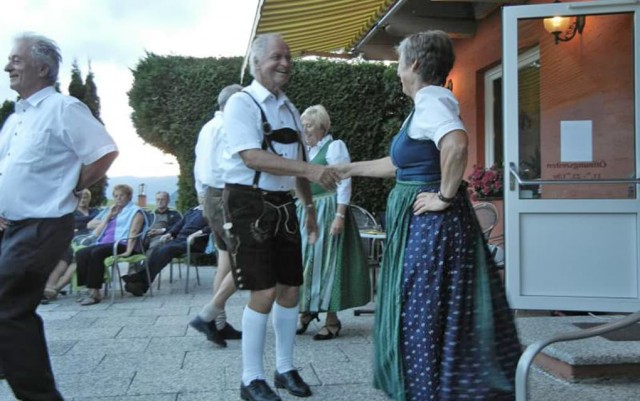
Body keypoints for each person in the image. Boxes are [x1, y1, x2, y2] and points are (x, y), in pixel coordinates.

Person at [337, 31, 520, 401]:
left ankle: (432, 389)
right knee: (428, 307)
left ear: (415, 64)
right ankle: (432, 386)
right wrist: (348, 168)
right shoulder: (426, 105)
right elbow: (398, 165)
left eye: (400, 63)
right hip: (424, 225)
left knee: (424, 309)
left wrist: (443, 197)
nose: (398, 72)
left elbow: (456, 144)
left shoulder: (432, 101)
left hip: (432, 228)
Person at [222, 33, 340, 401]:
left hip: (282, 203)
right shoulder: (242, 104)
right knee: (265, 289)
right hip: (247, 202)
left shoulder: (289, 109)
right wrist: (308, 170)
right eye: (277, 57)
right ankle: (250, 378)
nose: (286, 63)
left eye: (289, 57)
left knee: (291, 288)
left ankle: (285, 368)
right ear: (257, 62)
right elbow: (252, 157)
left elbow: (297, 169)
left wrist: (307, 208)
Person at [0, 32, 118, 400]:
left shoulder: (62, 108)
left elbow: (104, 152)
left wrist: (69, 187)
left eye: (16, 60)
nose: (7, 66)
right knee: (9, 309)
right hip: (13, 225)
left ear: (43, 67)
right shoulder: (17, 118)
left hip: (43, 224)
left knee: (8, 307)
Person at [295, 105, 370, 340]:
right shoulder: (305, 150)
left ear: (321, 127)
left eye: (308, 125)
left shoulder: (334, 147)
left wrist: (339, 215)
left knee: (327, 264)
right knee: (303, 263)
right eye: (303, 125)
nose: (304, 130)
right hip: (305, 210)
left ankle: (331, 319)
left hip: (327, 210)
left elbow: (344, 182)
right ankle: (306, 310)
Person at [190, 83, 244, 348]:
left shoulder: (208, 127)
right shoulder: (229, 127)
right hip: (227, 197)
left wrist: (202, 196)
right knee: (246, 257)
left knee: (225, 259)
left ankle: (219, 324)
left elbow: (199, 165)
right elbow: (236, 165)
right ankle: (209, 315)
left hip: (210, 196)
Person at [74, 184, 145, 306]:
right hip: (105, 244)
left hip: (123, 244)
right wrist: (108, 216)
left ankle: (95, 294)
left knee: (96, 253)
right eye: (116, 196)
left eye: (121, 195)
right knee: (81, 253)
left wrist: (128, 250)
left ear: (129, 196)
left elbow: (134, 232)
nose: (118, 198)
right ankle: (88, 289)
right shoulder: (112, 211)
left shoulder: (135, 211)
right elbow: (94, 228)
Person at [122, 201, 210, 296]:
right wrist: (170, 233)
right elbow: (179, 225)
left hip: (194, 242)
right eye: (201, 194)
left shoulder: (212, 210)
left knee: (168, 249)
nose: (202, 196)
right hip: (180, 240)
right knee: (158, 247)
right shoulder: (192, 210)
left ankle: (140, 281)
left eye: (205, 194)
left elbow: (214, 226)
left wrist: (199, 233)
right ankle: (140, 283)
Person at [42, 189, 101, 301]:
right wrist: (89, 223)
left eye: (86, 198)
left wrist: (85, 224)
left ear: (89, 199)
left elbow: (102, 223)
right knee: (66, 253)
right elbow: (77, 224)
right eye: (81, 198)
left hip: (92, 240)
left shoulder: (95, 211)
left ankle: (55, 288)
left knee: (80, 255)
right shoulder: (71, 213)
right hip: (74, 239)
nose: (83, 200)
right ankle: (50, 286)